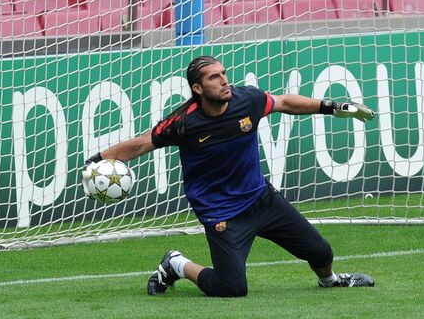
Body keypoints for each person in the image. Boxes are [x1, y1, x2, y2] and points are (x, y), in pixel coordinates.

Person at [85, 56, 376, 297]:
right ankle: (176, 264)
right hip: (223, 214)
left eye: (224, 73)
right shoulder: (183, 123)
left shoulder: (246, 100)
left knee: (322, 252)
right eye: (214, 77)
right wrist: (97, 161)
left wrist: (333, 107)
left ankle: (330, 281)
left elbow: (286, 103)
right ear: (198, 88)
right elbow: (141, 143)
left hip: (262, 199)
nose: (224, 80)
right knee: (232, 288)